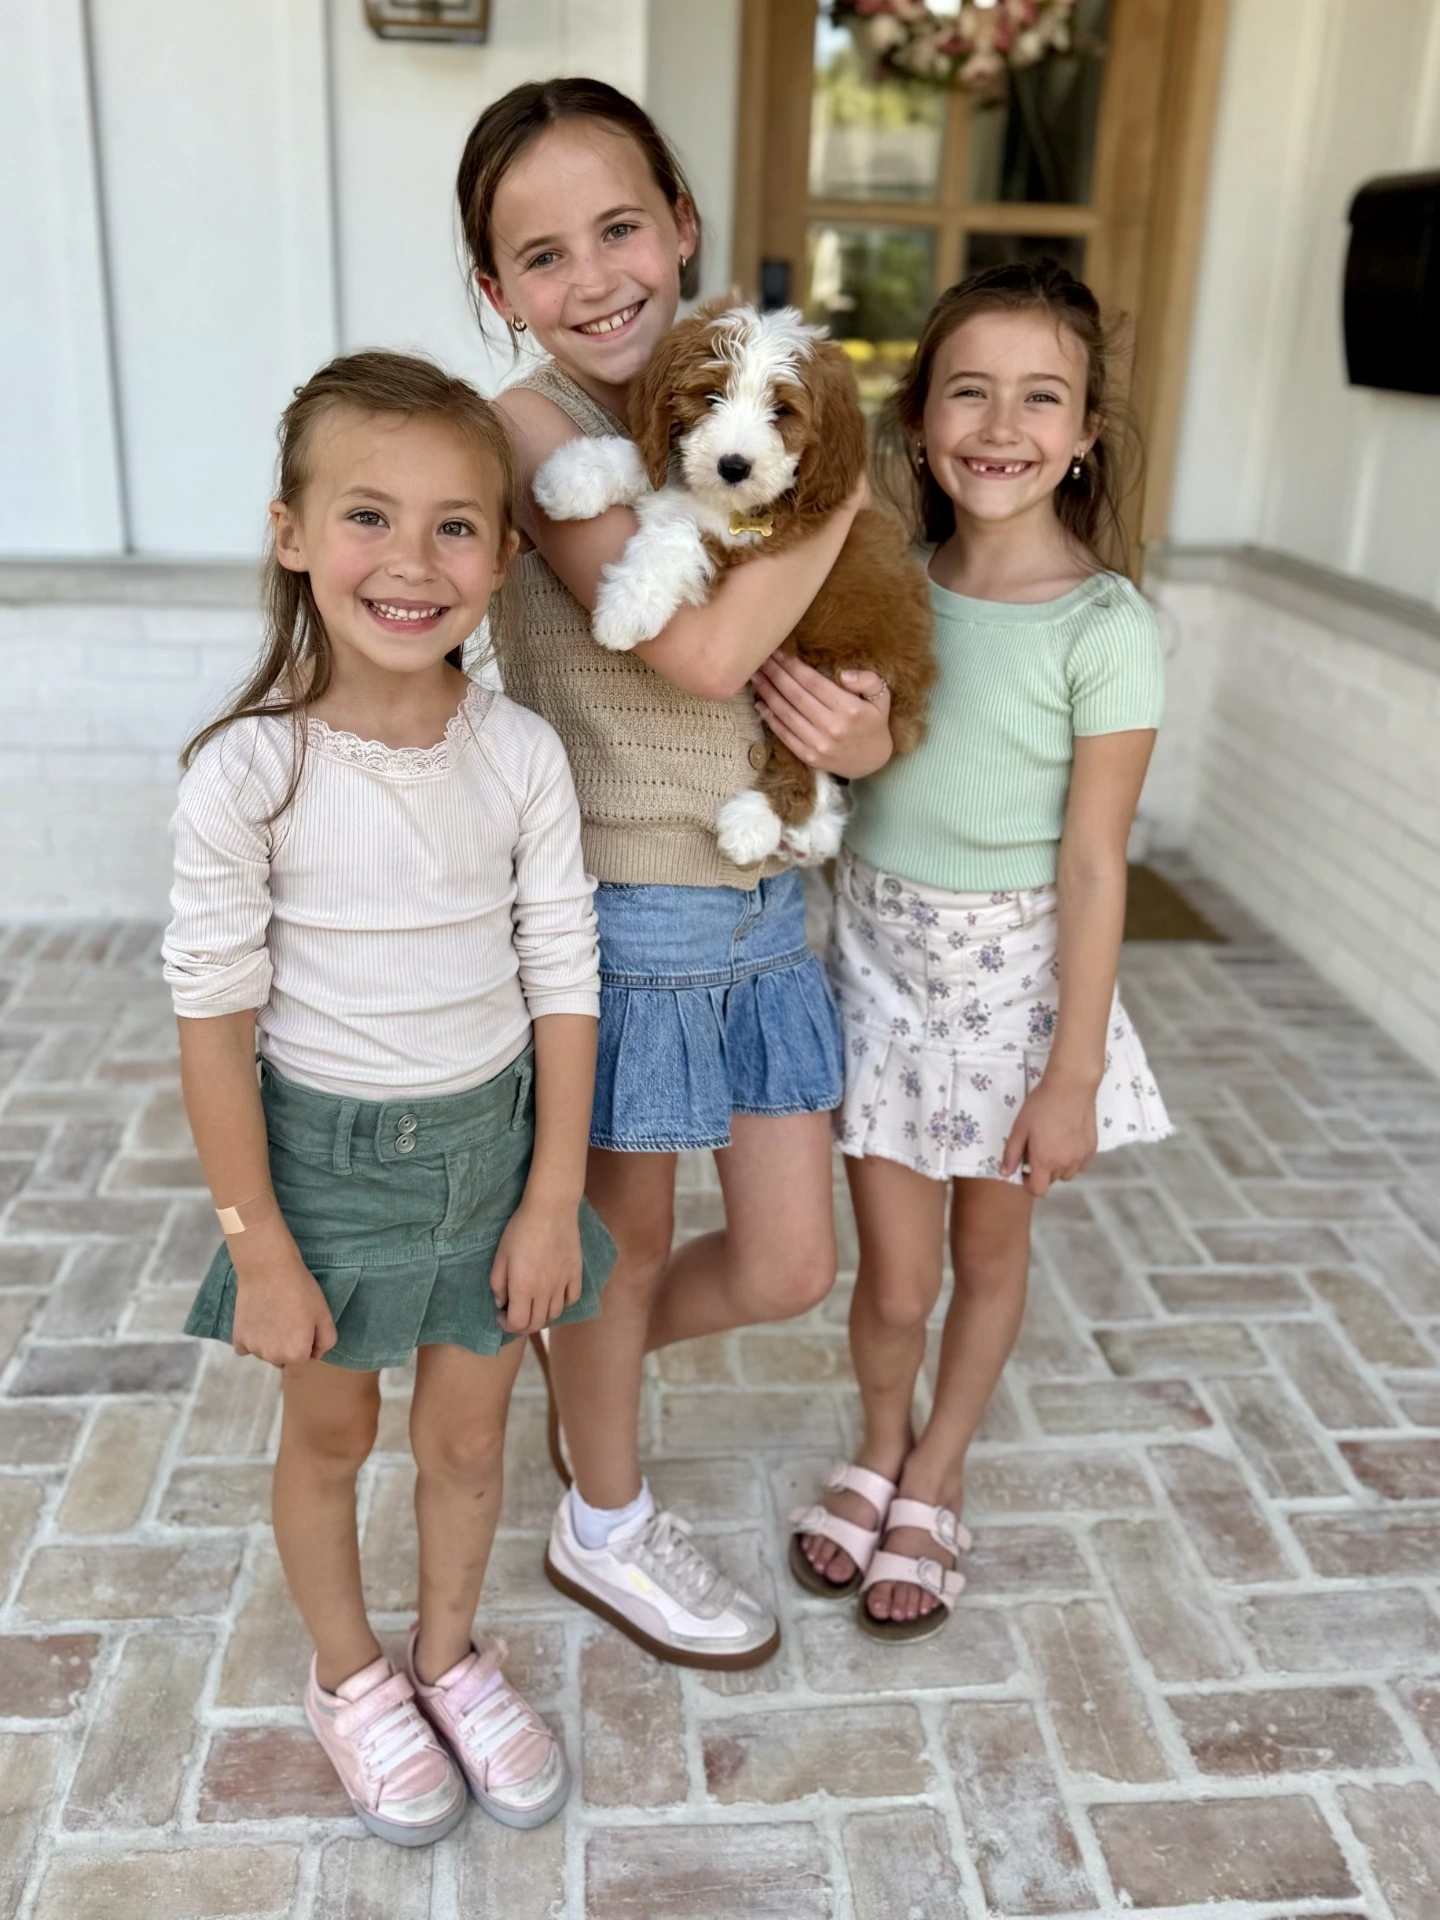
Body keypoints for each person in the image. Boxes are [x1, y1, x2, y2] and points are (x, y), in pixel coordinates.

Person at [456, 78, 893, 1669]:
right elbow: (701, 648)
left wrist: (857, 732)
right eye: (544, 255)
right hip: (622, 912)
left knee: (787, 1262)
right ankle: (606, 1518)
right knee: (620, 1242)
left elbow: (810, 674)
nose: (599, 277)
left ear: (685, 224)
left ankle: (586, 1384)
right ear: (498, 292)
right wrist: (838, 493)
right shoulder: (529, 431)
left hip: (764, 892)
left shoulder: (735, 389)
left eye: (622, 226)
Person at [164, 351, 613, 1840]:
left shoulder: (522, 755)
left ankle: (447, 1657)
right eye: (367, 516)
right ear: (291, 532)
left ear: (502, 551)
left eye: (455, 526)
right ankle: (352, 1677)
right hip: (321, 1168)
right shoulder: (250, 776)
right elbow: (215, 1025)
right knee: (334, 1438)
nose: (411, 564)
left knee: (470, 1440)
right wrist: (257, 1246)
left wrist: (554, 1195)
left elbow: (563, 975)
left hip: (492, 1155)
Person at [791, 261, 1173, 1642]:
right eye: (970, 389)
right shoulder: (881, 584)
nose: (1001, 424)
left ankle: (940, 1471)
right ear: (916, 420)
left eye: (1042, 396)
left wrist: (1072, 1072)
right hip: (883, 966)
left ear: (1082, 436)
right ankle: (879, 1440)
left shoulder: (1106, 627)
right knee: (893, 1273)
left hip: (1018, 989)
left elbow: (1091, 861)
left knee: (988, 1254)